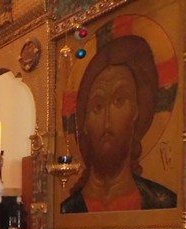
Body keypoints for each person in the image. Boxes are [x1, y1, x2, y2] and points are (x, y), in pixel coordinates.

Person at [60, 35, 176, 213]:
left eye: (119, 100)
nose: (107, 118)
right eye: (97, 106)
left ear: (136, 111)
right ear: (84, 123)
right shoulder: (68, 210)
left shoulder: (163, 202)